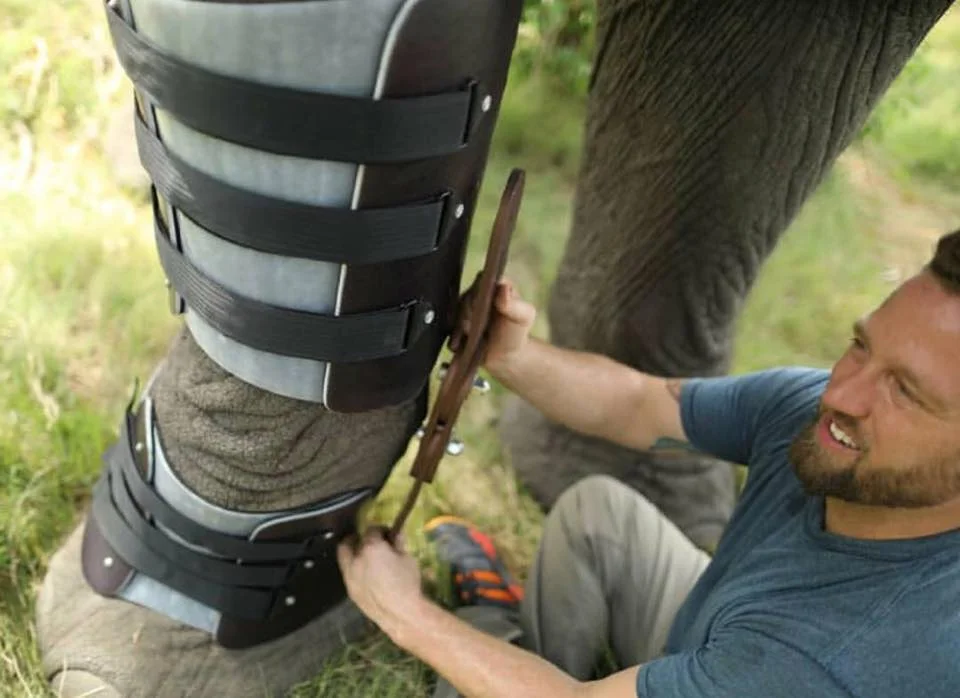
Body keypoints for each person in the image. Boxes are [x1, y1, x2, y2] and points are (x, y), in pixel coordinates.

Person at [337, 229, 960, 698]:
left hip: (757, 665)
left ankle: (488, 636)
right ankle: (507, 636)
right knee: (598, 514)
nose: (841, 395)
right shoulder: (822, 414)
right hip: (727, 639)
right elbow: (638, 405)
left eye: (906, 392)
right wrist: (513, 358)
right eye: (860, 345)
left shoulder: (839, 656)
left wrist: (405, 615)